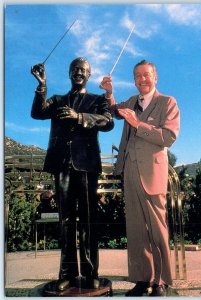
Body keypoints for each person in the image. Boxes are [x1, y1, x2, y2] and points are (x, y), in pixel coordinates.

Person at [31, 57, 114, 292]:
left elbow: (108, 122)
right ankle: (67, 273)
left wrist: (79, 117)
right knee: (65, 221)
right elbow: (37, 113)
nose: (79, 72)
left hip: (87, 165)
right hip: (62, 165)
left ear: (88, 75)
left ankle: (90, 274)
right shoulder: (57, 100)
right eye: (75, 69)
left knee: (88, 221)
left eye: (83, 70)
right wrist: (41, 86)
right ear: (69, 73)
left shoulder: (97, 101)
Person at [100, 60, 180, 296]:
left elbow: (168, 137)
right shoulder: (131, 102)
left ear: (155, 77)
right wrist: (109, 93)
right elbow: (114, 111)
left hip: (153, 173)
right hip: (130, 171)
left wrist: (138, 123)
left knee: (157, 229)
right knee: (135, 228)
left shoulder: (168, 102)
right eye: (137, 76)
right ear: (134, 80)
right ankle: (143, 280)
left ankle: (162, 281)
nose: (142, 79)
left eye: (146, 75)